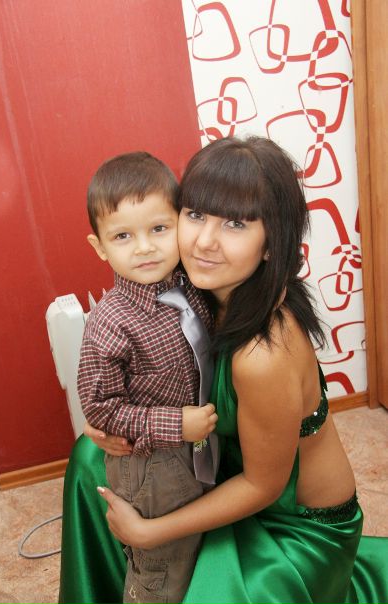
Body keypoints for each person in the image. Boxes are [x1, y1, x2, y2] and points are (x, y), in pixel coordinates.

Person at [59, 137, 388, 604]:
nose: (204, 241)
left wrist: (151, 532)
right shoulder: (191, 290)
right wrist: (107, 424)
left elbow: (263, 486)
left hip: (292, 522)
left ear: (271, 243)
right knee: (88, 460)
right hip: (215, 463)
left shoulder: (262, 356)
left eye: (235, 223)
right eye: (195, 214)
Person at [76, 151, 217, 604]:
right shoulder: (110, 323)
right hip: (154, 466)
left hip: (203, 445)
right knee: (162, 569)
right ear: (100, 246)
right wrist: (177, 424)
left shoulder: (193, 286)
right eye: (123, 236)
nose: (144, 247)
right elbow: (101, 409)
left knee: (200, 551)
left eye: (159, 228)